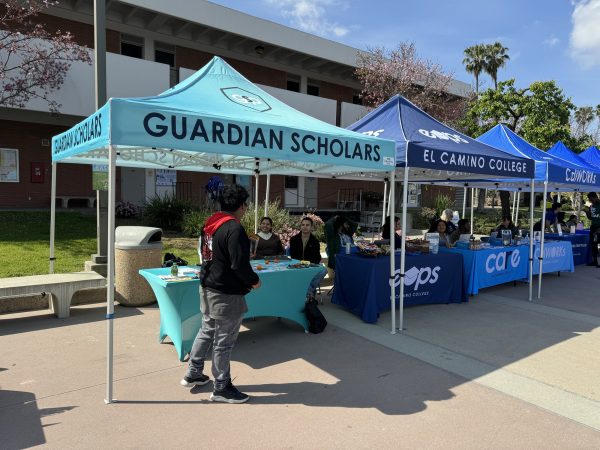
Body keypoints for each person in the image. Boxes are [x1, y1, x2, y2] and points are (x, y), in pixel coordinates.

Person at [182, 184, 261, 404]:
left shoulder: (211, 223)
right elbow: (239, 265)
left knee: (207, 330)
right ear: (242, 206)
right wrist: (254, 281)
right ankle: (221, 387)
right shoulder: (234, 229)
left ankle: (194, 372)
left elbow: (209, 255)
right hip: (226, 292)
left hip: (208, 286)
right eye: (246, 205)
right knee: (223, 342)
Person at [289, 217, 327, 299]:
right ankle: (310, 293)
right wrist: (300, 264)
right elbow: (293, 256)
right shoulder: (293, 239)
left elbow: (317, 257)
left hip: (310, 265)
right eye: (303, 225)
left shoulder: (315, 241)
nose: (305, 227)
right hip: (297, 265)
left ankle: (307, 290)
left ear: (311, 227)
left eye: (307, 225)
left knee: (324, 270)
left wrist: (308, 264)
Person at [585, 192, 600, 267]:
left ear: (595, 197)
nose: (590, 200)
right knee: (594, 244)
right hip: (593, 227)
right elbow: (591, 218)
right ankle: (595, 261)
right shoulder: (591, 206)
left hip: (599, 227)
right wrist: (587, 213)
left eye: (591, 199)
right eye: (589, 199)